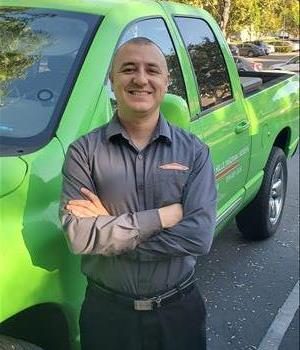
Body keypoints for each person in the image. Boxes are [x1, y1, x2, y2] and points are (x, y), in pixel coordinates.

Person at [59, 37, 217, 350]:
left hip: (178, 312)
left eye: (152, 70)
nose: (140, 79)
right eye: (128, 69)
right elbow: (78, 236)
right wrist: (162, 217)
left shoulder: (194, 153)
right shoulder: (83, 153)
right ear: (112, 79)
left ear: (165, 81)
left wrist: (108, 233)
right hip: (107, 316)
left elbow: (198, 237)